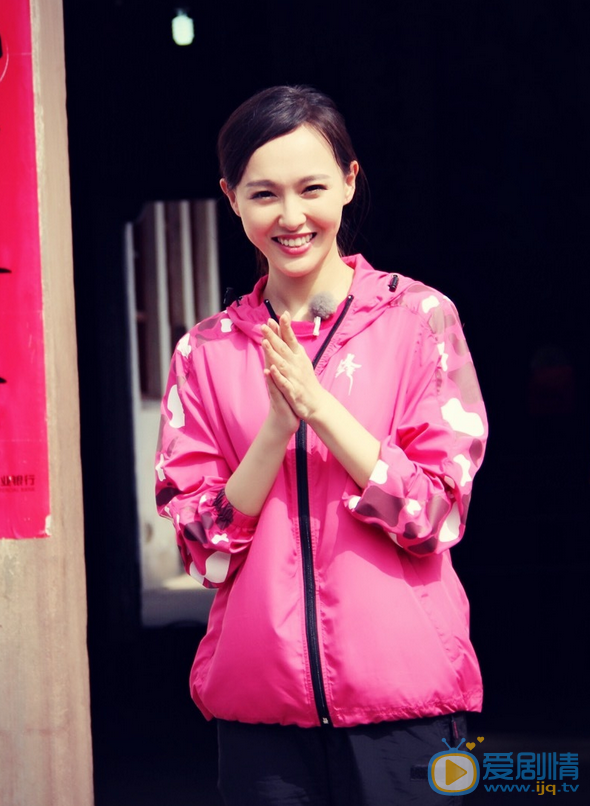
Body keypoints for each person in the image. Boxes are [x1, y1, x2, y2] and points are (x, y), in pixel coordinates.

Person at [155, 85, 487, 805]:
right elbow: (204, 550)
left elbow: (436, 517)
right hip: (262, 719)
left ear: (349, 181)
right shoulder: (203, 354)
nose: (291, 216)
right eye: (263, 194)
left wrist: (320, 410)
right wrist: (276, 429)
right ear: (231, 199)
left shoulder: (420, 321)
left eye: (311, 188)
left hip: (405, 708)